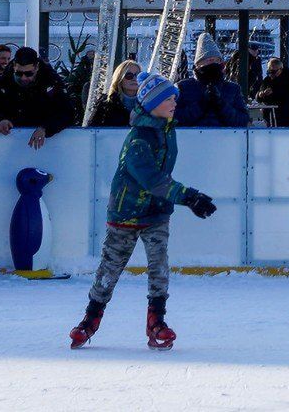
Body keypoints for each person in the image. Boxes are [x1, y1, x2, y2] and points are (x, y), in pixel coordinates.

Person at [68, 72, 218, 350]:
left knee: (158, 266)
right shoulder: (139, 138)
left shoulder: (166, 129)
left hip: (156, 211)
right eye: (168, 97)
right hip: (126, 212)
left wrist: (183, 198)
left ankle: (156, 321)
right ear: (152, 104)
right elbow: (151, 179)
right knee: (110, 267)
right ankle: (90, 320)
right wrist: (189, 197)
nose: (175, 101)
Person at [0, 46, 74, 150]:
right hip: (8, 141)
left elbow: (67, 113)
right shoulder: (3, 82)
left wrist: (46, 128)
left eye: (29, 74)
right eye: (19, 73)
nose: (23, 78)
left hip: (45, 143)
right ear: (14, 66)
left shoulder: (51, 81)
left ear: (36, 67)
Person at [175, 33, 250, 128]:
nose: (212, 63)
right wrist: (201, 105)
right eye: (207, 60)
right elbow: (174, 119)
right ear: (197, 64)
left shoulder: (233, 89)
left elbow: (243, 120)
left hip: (227, 140)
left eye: (215, 60)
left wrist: (221, 105)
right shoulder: (182, 87)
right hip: (191, 140)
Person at [254, 57, 289, 127]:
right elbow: (258, 96)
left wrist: (274, 92)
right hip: (269, 116)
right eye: (269, 71)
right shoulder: (267, 80)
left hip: (284, 116)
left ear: (280, 70)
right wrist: (261, 94)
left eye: (274, 71)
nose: (271, 74)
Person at [96, 60, 142, 127]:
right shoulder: (106, 103)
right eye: (129, 75)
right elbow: (93, 130)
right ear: (119, 78)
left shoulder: (149, 103)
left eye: (138, 75)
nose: (134, 78)